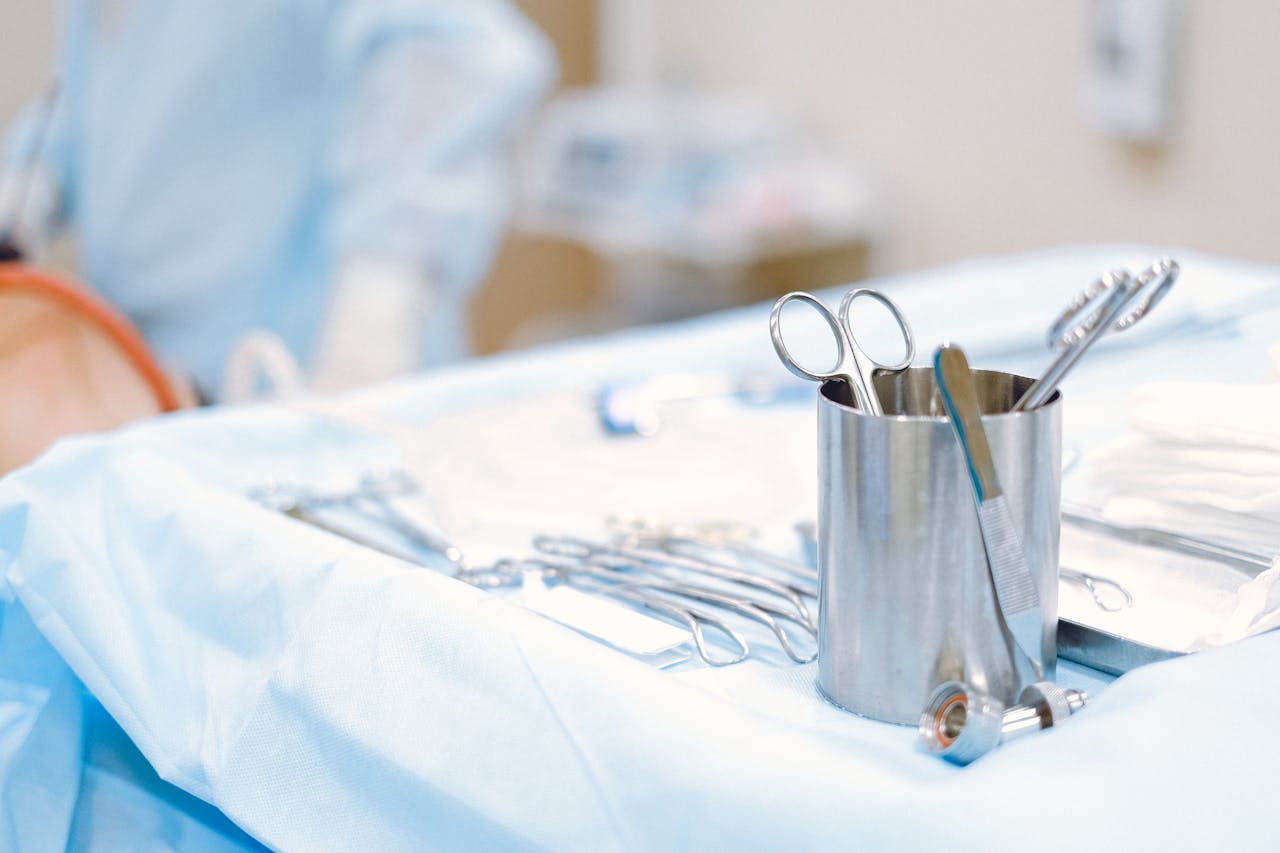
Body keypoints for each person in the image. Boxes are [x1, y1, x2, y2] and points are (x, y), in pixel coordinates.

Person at [1, 0, 555, 400]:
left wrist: (373, 312)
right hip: (153, 371)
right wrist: (27, 191)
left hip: (299, 367)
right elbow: (92, 95)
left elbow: (452, 54)